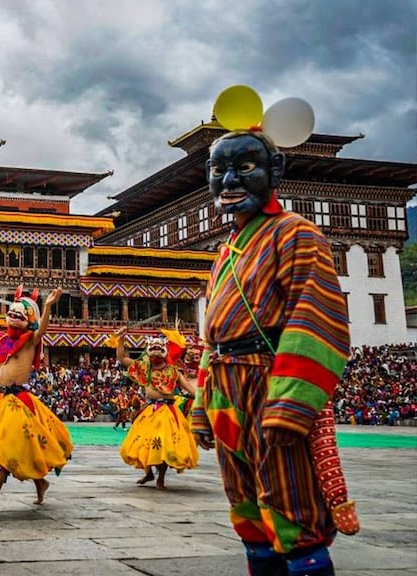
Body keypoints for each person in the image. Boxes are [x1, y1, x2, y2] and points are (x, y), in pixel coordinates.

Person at [192, 125, 357, 575]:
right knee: (246, 509)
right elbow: (213, 334)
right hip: (228, 386)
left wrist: (291, 403)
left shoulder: (296, 234)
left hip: (269, 383)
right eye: (218, 170)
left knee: (290, 503)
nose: (229, 182)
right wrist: (203, 404)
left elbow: (317, 317)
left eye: (244, 168)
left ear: (274, 170)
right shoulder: (226, 251)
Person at [0, 287, 73, 519]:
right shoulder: (0, 339)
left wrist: (47, 307)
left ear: (28, 320)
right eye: (11, 313)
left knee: (5, 450)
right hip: (2, 400)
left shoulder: (30, 340)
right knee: (20, 449)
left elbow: (42, 329)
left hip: (19, 402)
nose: (14, 317)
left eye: (20, 315)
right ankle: (40, 483)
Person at [115, 328, 198, 489]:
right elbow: (122, 358)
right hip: (150, 410)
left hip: (167, 411)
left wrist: (201, 397)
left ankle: (161, 477)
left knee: (163, 444)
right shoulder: (144, 368)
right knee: (144, 443)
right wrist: (121, 339)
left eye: (160, 349)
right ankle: (148, 472)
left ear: (165, 352)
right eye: (153, 349)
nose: (156, 352)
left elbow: (188, 386)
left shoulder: (173, 371)